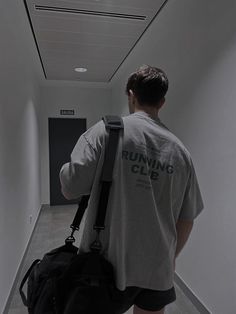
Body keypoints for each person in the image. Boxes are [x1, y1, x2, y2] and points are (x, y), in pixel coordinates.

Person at [59, 65, 204, 314]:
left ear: (131, 94)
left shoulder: (105, 131)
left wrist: (65, 168)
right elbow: (187, 219)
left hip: (105, 263)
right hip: (157, 268)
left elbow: (70, 188)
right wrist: (169, 257)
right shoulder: (181, 153)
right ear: (162, 102)